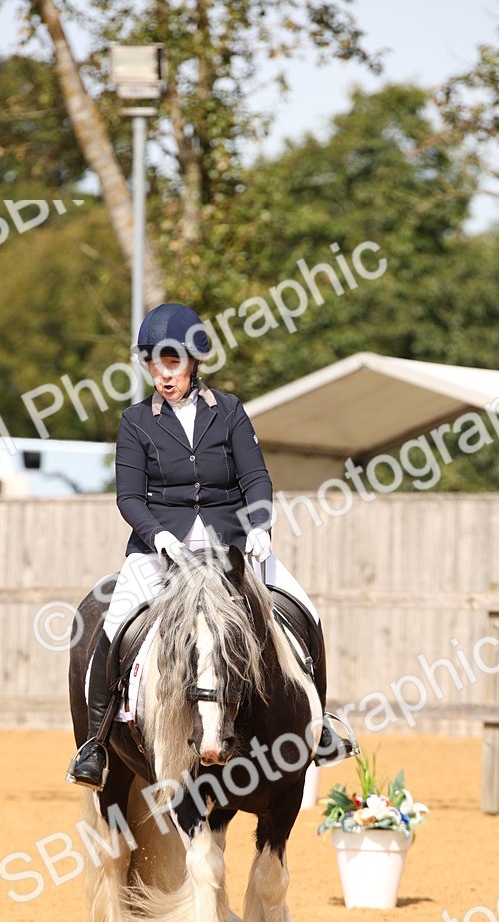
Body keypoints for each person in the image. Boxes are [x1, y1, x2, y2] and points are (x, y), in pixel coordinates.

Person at [67, 302, 340, 789]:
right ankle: (96, 740)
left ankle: (322, 726)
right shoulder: (135, 421)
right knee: (113, 619)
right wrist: (159, 536)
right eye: (154, 362)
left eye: (171, 362)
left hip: (231, 546)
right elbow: (129, 497)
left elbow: (255, 476)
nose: (162, 373)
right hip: (161, 549)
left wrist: (259, 526)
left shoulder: (229, 411)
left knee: (305, 607)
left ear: (194, 362)